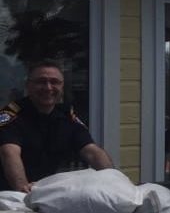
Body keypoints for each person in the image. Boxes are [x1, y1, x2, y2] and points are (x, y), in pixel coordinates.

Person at [0, 60, 114, 192]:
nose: (48, 88)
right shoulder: (11, 114)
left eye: (54, 82)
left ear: (62, 86)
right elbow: (9, 153)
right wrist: (23, 191)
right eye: (41, 82)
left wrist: (115, 181)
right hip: (7, 196)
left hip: (42, 192)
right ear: (28, 85)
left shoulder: (66, 116)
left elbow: (92, 153)